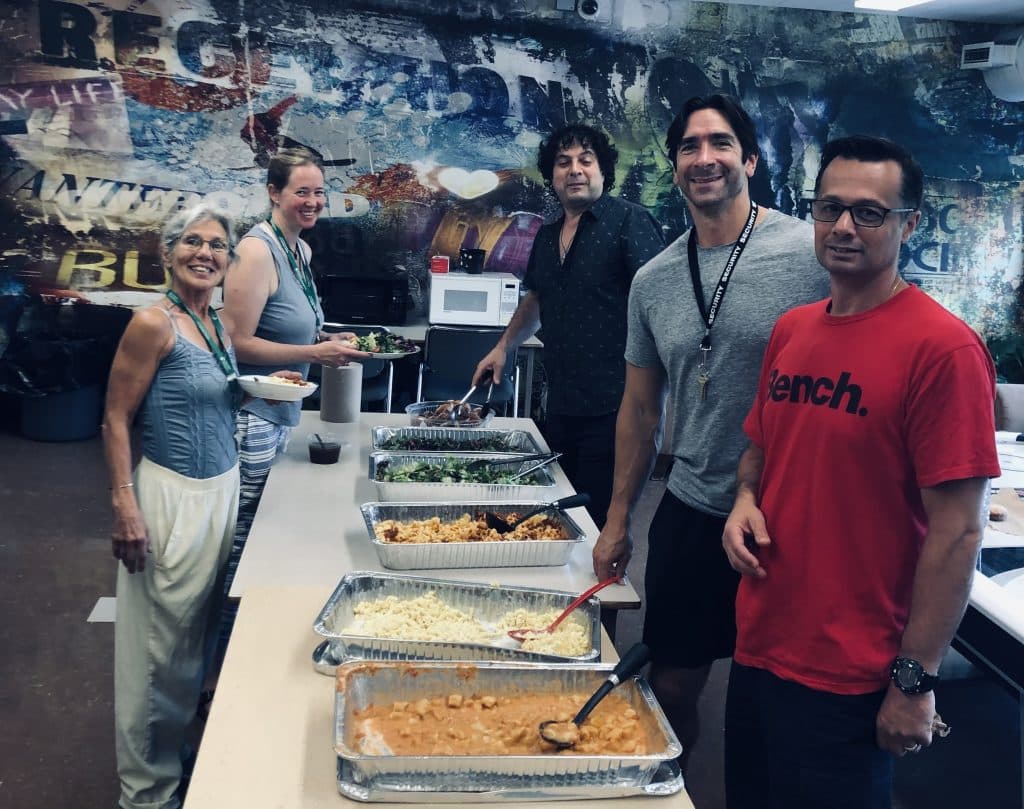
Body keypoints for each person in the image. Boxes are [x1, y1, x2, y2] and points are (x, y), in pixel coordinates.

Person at [721, 135, 1000, 809]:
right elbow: (761, 440)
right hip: (761, 643)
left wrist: (913, 682)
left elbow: (958, 534)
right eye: (830, 208)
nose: (844, 227)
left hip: (852, 670)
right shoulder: (793, 330)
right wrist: (744, 496)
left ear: (907, 223)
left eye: (869, 213)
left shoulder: (943, 350)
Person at [591, 94, 829, 769]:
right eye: (690, 146)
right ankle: (673, 786)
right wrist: (616, 519)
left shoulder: (808, 254)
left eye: (720, 143)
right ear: (675, 167)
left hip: (790, 515)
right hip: (694, 506)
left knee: (779, 693)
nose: (705, 157)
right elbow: (639, 409)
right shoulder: (654, 279)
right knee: (670, 683)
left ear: (748, 158)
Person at [104, 204, 298, 809]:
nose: (206, 253)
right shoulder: (152, 323)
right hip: (170, 494)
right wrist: (125, 506)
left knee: (195, 637)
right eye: (193, 241)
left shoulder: (212, 321)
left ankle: (174, 759)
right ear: (169, 252)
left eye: (217, 246)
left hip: (221, 491)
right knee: (156, 650)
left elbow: (218, 395)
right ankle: (145, 792)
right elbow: (114, 418)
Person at [472, 124, 664, 529]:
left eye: (585, 160)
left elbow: (660, 305)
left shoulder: (631, 222)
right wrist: (502, 347)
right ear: (553, 176)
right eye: (564, 163)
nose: (574, 170)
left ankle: (598, 592)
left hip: (616, 407)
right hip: (560, 403)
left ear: (602, 171)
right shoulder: (545, 236)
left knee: (597, 523)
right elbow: (536, 298)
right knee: (553, 510)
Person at [221, 146, 365, 639]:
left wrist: (326, 342)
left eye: (319, 191)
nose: (313, 201)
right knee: (243, 542)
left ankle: (251, 640)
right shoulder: (256, 251)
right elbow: (235, 343)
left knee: (265, 533)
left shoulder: (299, 250)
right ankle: (222, 661)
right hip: (252, 416)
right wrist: (313, 355)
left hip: (281, 412)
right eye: (301, 191)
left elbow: (295, 331)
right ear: (273, 193)